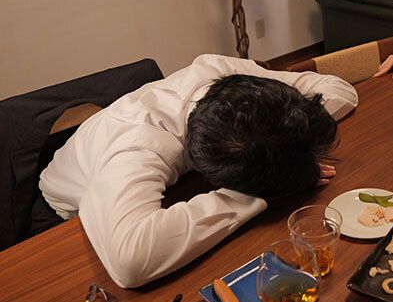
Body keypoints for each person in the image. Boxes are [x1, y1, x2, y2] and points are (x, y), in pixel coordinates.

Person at [38, 54, 357, 288]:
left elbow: (338, 90)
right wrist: (262, 190)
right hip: (64, 221)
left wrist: (292, 146)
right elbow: (130, 261)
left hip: (174, 184)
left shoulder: (227, 76)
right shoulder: (135, 147)